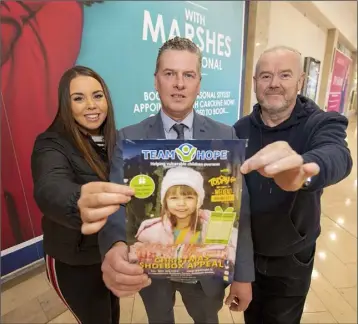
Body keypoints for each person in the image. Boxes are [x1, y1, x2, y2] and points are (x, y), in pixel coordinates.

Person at [81, 37, 255, 323]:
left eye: (188, 75)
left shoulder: (225, 137)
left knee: (207, 318)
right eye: (169, 74)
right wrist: (115, 246)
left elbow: (241, 213)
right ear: (156, 81)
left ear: (199, 83)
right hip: (152, 273)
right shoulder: (129, 138)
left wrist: (243, 275)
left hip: (206, 274)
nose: (179, 84)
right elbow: (117, 206)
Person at [234, 46, 353, 324]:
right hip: (249, 253)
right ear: (254, 83)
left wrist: (304, 170)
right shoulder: (239, 131)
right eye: (265, 76)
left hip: (292, 257)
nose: (274, 83)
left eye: (284, 75)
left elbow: (336, 155)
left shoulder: (320, 122)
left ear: (300, 81)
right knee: (252, 317)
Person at [31, 66, 134, 324]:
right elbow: (50, 186)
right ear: (66, 104)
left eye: (97, 96)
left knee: (112, 316)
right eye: (78, 98)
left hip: (108, 254)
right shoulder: (50, 143)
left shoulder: (114, 141)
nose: (91, 105)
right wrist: (76, 202)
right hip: (73, 262)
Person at [132, 166, 237, 264]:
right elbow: (137, 254)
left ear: (198, 200)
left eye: (189, 198)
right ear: (165, 201)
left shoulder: (212, 224)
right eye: (174, 198)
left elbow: (233, 252)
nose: (181, 203)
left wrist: (223, 251)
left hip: (205, 282)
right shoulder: (153, 230)